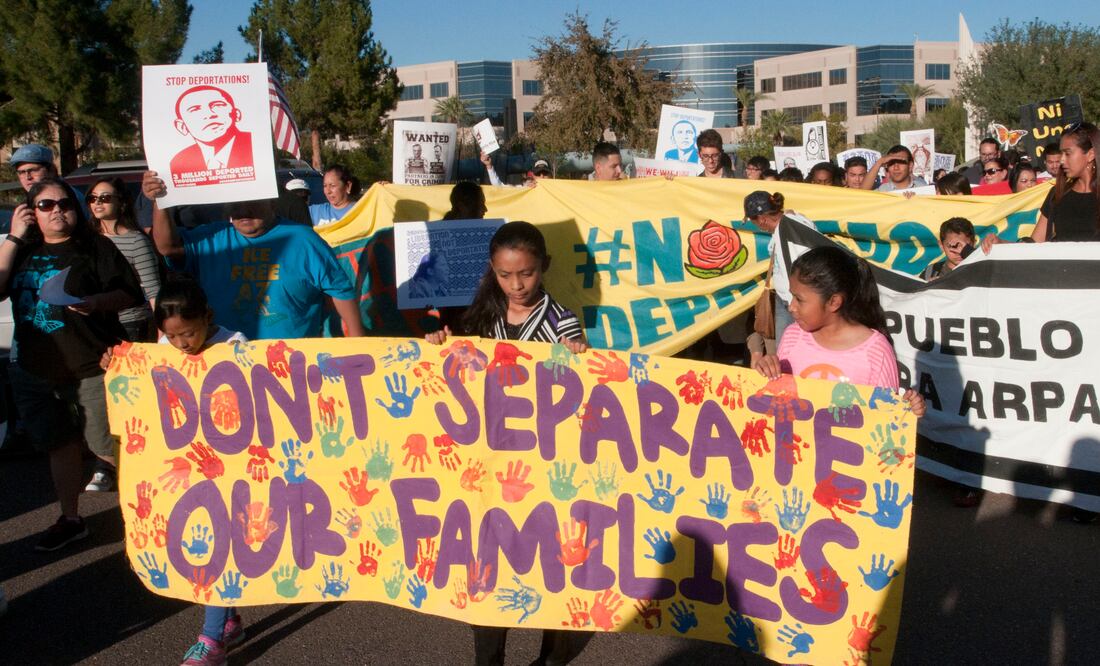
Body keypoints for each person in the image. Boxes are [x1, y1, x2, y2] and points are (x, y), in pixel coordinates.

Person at [424, 220, 587, 666]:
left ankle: (553, 654)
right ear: (493, 272)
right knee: (487, 562)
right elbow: (463, 368)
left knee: (548, 560)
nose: (516, 285)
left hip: (542, 468)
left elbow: (579, 395)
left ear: (544, 268)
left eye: (527, 274)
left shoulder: (562, 323)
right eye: (505, 274)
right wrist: (440, 345)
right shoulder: (483, 315)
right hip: (490, 469)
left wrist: (580, 362)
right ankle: (489, 657)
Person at [0, 178, 142, 550]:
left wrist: (95, 302)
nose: (57, 211)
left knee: (108, 446)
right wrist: (14, 238)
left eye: (64, 204)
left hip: (90, 365)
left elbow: (128, 292)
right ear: (32, 212)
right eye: (46, 206)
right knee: (59, 445)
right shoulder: (22, 250)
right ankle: (71, 517)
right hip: (36, 370)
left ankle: (141, 514)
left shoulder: (95, 247)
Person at [151, 277, 248, 665]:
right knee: (210, 543)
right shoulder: (162, 350)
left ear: (208, 317)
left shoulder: (234, 345)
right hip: (189, 467)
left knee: (220, 544)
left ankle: (211, 641)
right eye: (172, 337)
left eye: (188, 334)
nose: (181, 344)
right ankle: (228, 620)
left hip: (233, 466)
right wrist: (118, 366)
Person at [142, 171, 367, 340]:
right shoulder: (213, 238)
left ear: (270, 200)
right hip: (227, 366)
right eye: (236, 204)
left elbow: (340, 290)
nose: (243, 210)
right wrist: (159, 201)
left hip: (294, 366)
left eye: (251, 201)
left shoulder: (303, 239)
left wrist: (359, 345)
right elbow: (167, 247)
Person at [752, 246, 927, 418]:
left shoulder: (876, 352)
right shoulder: (792, 336)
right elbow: (778, 400)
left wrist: (906, 411)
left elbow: (885, 422)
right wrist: (765, 372)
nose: (791, 306)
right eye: (792, 296)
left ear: (834, 302)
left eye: (799, 299)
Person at [983, 122, 1099, 250]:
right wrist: (1001, 243)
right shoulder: (1057, 194)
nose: (1061, 160)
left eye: (1068, 153)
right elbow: (1034, 244)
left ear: (1090, 154)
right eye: (1062, 154)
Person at [743, 191, 816, 364]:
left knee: (789, 353)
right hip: (790, 300)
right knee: (785, 349)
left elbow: (806, 269)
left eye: (754, 221)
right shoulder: (789, 225)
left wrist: (796, 301)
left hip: (796, 303)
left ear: (761, 219)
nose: (757, 226)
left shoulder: (790, 230)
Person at [86, 177, 162, 343]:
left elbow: (153, 290)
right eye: (92, 198)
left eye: (105, 198)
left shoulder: (137, 240)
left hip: (131, 323)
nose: (97, 202)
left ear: (122, 203)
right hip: (95, 323)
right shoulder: (85, 239)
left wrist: (162, 332)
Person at [169, 86, 255, 187]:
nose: (209, 114)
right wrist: (156, 194)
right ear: (182, 126)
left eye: (218, 105)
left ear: (236, 114)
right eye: (194, 109)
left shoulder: (258, 147)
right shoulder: (179, 161)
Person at [862, 146, 927, 192]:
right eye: (892, 163)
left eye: (900, 162)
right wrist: (879, 162)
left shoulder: (924, 189)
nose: (896, 167)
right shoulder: (882, 191)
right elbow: (861, 195)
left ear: (910, 166)